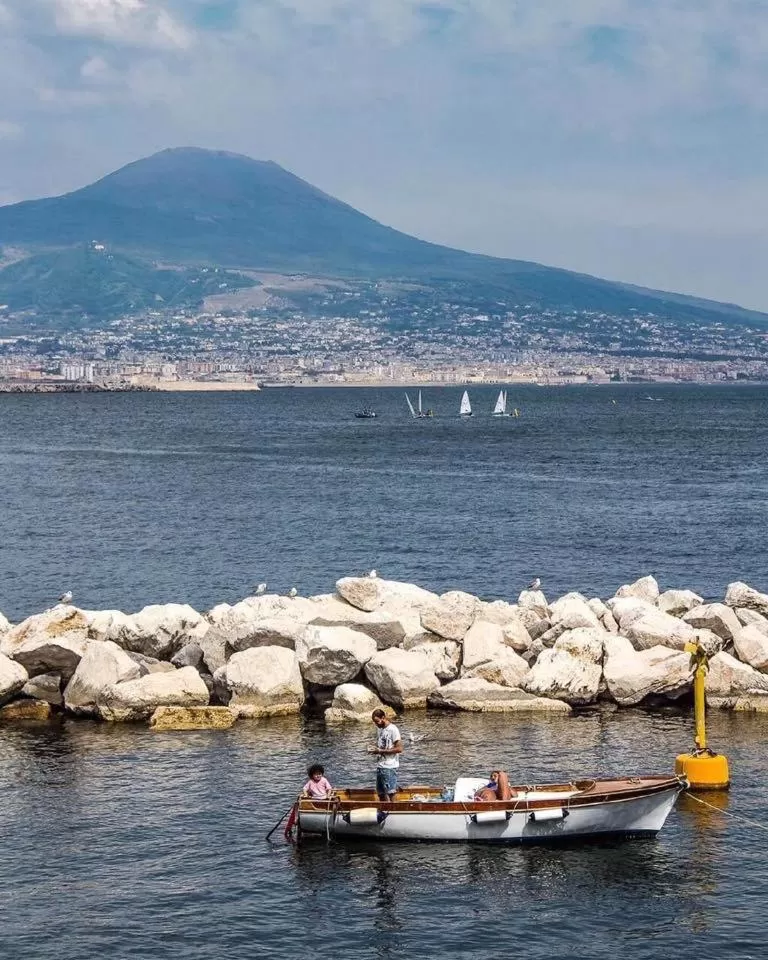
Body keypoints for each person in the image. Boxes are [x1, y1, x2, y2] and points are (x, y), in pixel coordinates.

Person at [369, 709, 402, 801]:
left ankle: (394, 812)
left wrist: (380, 751)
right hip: (380, 766)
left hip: (389, 766)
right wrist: (374, 749)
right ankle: (384, 811)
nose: (376, 724)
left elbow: (399, 748)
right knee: (381, 793)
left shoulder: (393, 729)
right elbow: (382, 746)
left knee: (391, 792)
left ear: (383, 718)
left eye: (377, 721)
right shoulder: (381, 730)